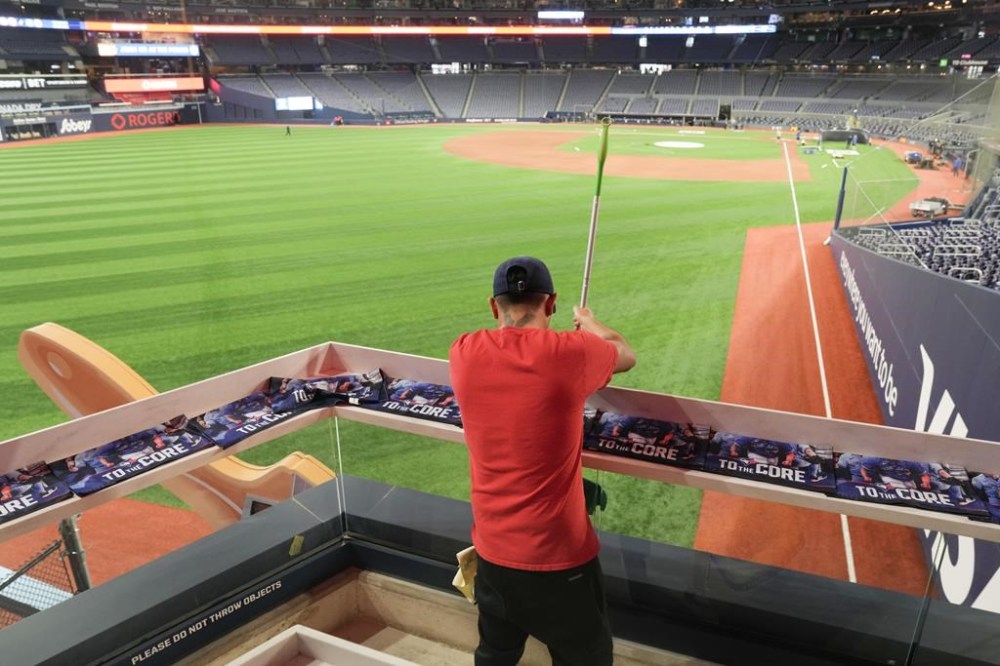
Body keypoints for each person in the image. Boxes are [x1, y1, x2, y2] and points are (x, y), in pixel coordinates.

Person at [449, 256, 636, 666]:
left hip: (493, 553)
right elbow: (625, 354)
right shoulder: (573, 351)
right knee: (586, 657)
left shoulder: (464, 351)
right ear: (550, 304)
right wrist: (590, 324)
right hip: (560, 560)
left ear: (493, 305)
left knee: (496, 652)